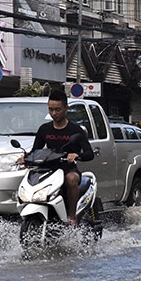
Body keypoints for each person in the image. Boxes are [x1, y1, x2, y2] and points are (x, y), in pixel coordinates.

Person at [27, 89, 95, 226]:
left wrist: (77, 155)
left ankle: (72, 215)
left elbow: (89, 153)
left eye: (57, 110)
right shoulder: (44, 129)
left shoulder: (76, 130)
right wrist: (24, 158)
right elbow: (36, 151)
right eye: (50, 109)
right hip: (48, 170)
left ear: (66, 108)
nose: (53, 113)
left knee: (71, 180)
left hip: (68, 168)